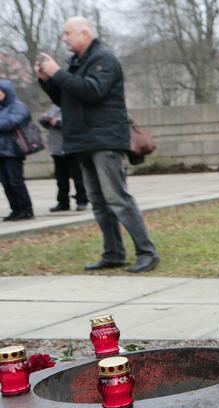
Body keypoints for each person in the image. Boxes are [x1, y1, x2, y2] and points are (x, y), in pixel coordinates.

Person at [35, 16, 160, 273]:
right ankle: (113, 253)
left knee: (117, 198)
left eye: (68, 33)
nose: (64, 38)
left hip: (105, 139)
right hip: (83, 140)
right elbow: (67, 98)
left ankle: (147, 252)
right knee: (99, 201)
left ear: (85, 33)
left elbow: (92, 91)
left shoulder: (104, 58)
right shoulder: (78, 62)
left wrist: (58, 72)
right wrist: (48, 80)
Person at [39, 105, 88, 212]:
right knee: (61, 178)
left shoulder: (74, 106)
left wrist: (57, 122)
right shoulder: (54, 107)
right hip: (57, 148)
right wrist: (44, 119)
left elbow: (76, 124)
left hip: (72, 147)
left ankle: (82, 200)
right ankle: (63, 202)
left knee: (77, 177)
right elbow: (46, 122)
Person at [0, 80, 35, 222]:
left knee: (15, 181)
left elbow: (11, 123)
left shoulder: (18, 106)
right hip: (1, 151)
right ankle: (16, 209)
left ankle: (26, 209)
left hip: (13, 151)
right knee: (6, 183)